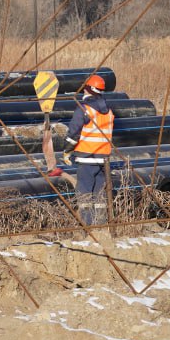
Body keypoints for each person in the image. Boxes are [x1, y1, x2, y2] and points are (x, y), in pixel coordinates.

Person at [65, 73, 115, 226]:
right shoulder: (108, 111)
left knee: (85, 192)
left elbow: (74, 132)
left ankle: (87, 225)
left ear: (87, 90)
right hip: (103, 159)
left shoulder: (84, 109)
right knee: (100, 193)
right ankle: (101, 224)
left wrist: (67, 150)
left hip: (87, 157)